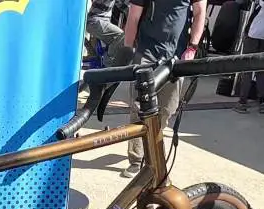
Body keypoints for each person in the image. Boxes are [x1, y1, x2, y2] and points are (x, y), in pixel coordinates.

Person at [120, 0, 208, 178]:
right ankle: (137, 160)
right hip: (146, 52)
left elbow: (200, 12)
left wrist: (192, 47)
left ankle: (153, 155)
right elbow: (134, 16)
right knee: (139, 107)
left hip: (176, 55)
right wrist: (128, 50)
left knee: (167, 109)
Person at [86, 0, 132, 67]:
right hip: (94, 21)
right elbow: (128, 8)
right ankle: (108, 63)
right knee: (122, 36)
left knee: (120, 41)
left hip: (102, 21)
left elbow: (124, 6)